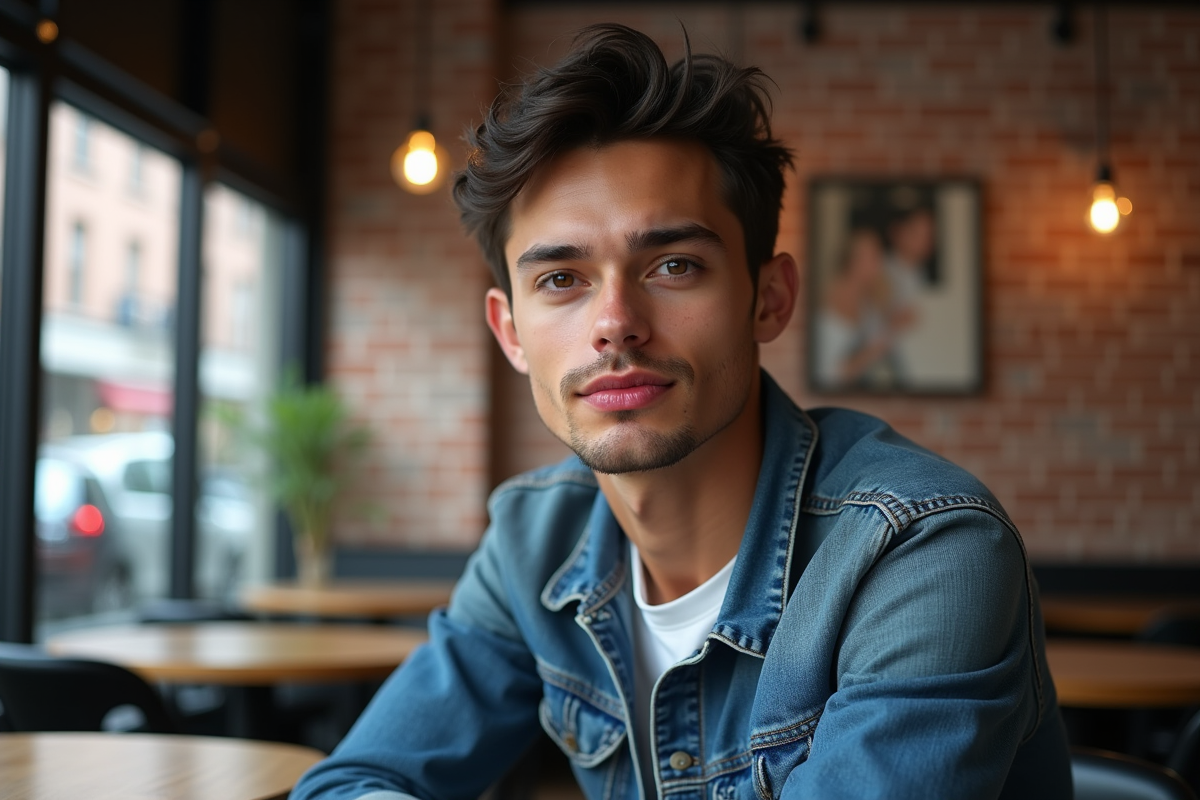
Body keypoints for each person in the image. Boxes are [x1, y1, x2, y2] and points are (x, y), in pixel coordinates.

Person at [291, 24, 1071, 800]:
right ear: (510, 331)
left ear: (769, 299)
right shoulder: (535, 543)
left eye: (673, 265)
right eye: (562, 279)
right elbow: (357, 782)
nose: (616, 321)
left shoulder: (923, 549)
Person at [813, 227, 898, 389]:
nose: (880, 263)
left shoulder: (870, 301)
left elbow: (883, 339)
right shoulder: (826, 302)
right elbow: (828, 374)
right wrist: (872, 352)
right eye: (874, 256)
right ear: (853, 261)